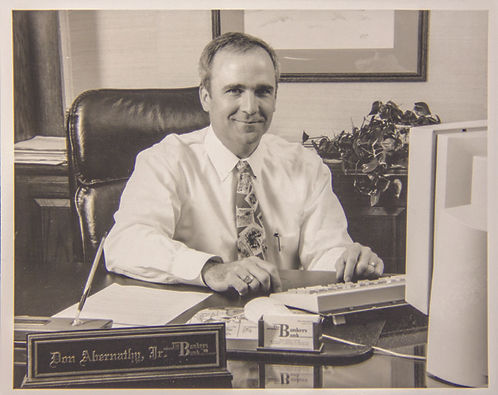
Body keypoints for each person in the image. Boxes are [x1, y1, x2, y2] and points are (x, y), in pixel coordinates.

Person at [104, 32, 384, 296]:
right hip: (200, 324)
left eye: (262, 91)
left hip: (285, 321)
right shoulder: (166, 160)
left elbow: (325, 251)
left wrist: (348, 261)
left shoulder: (305, 166)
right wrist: (210, 269)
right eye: (234, 90)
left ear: (275, 97)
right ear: (206, 96)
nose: (250, 107)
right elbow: (125, 243)